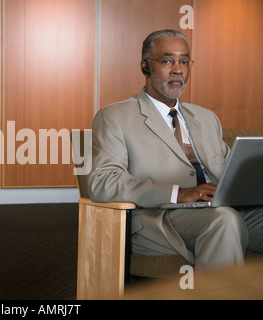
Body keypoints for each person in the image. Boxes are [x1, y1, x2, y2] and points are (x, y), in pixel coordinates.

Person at [86, 29, 263, 270]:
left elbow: (230, 174)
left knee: (227, 216)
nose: (178, 69)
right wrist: (179, 193)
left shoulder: (207, 117)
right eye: (168, 60)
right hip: (160, 217)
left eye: (184, 61)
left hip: (219, 207)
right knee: (225, 221)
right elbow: (102, 182)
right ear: (145, 66)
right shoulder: (114, 117)